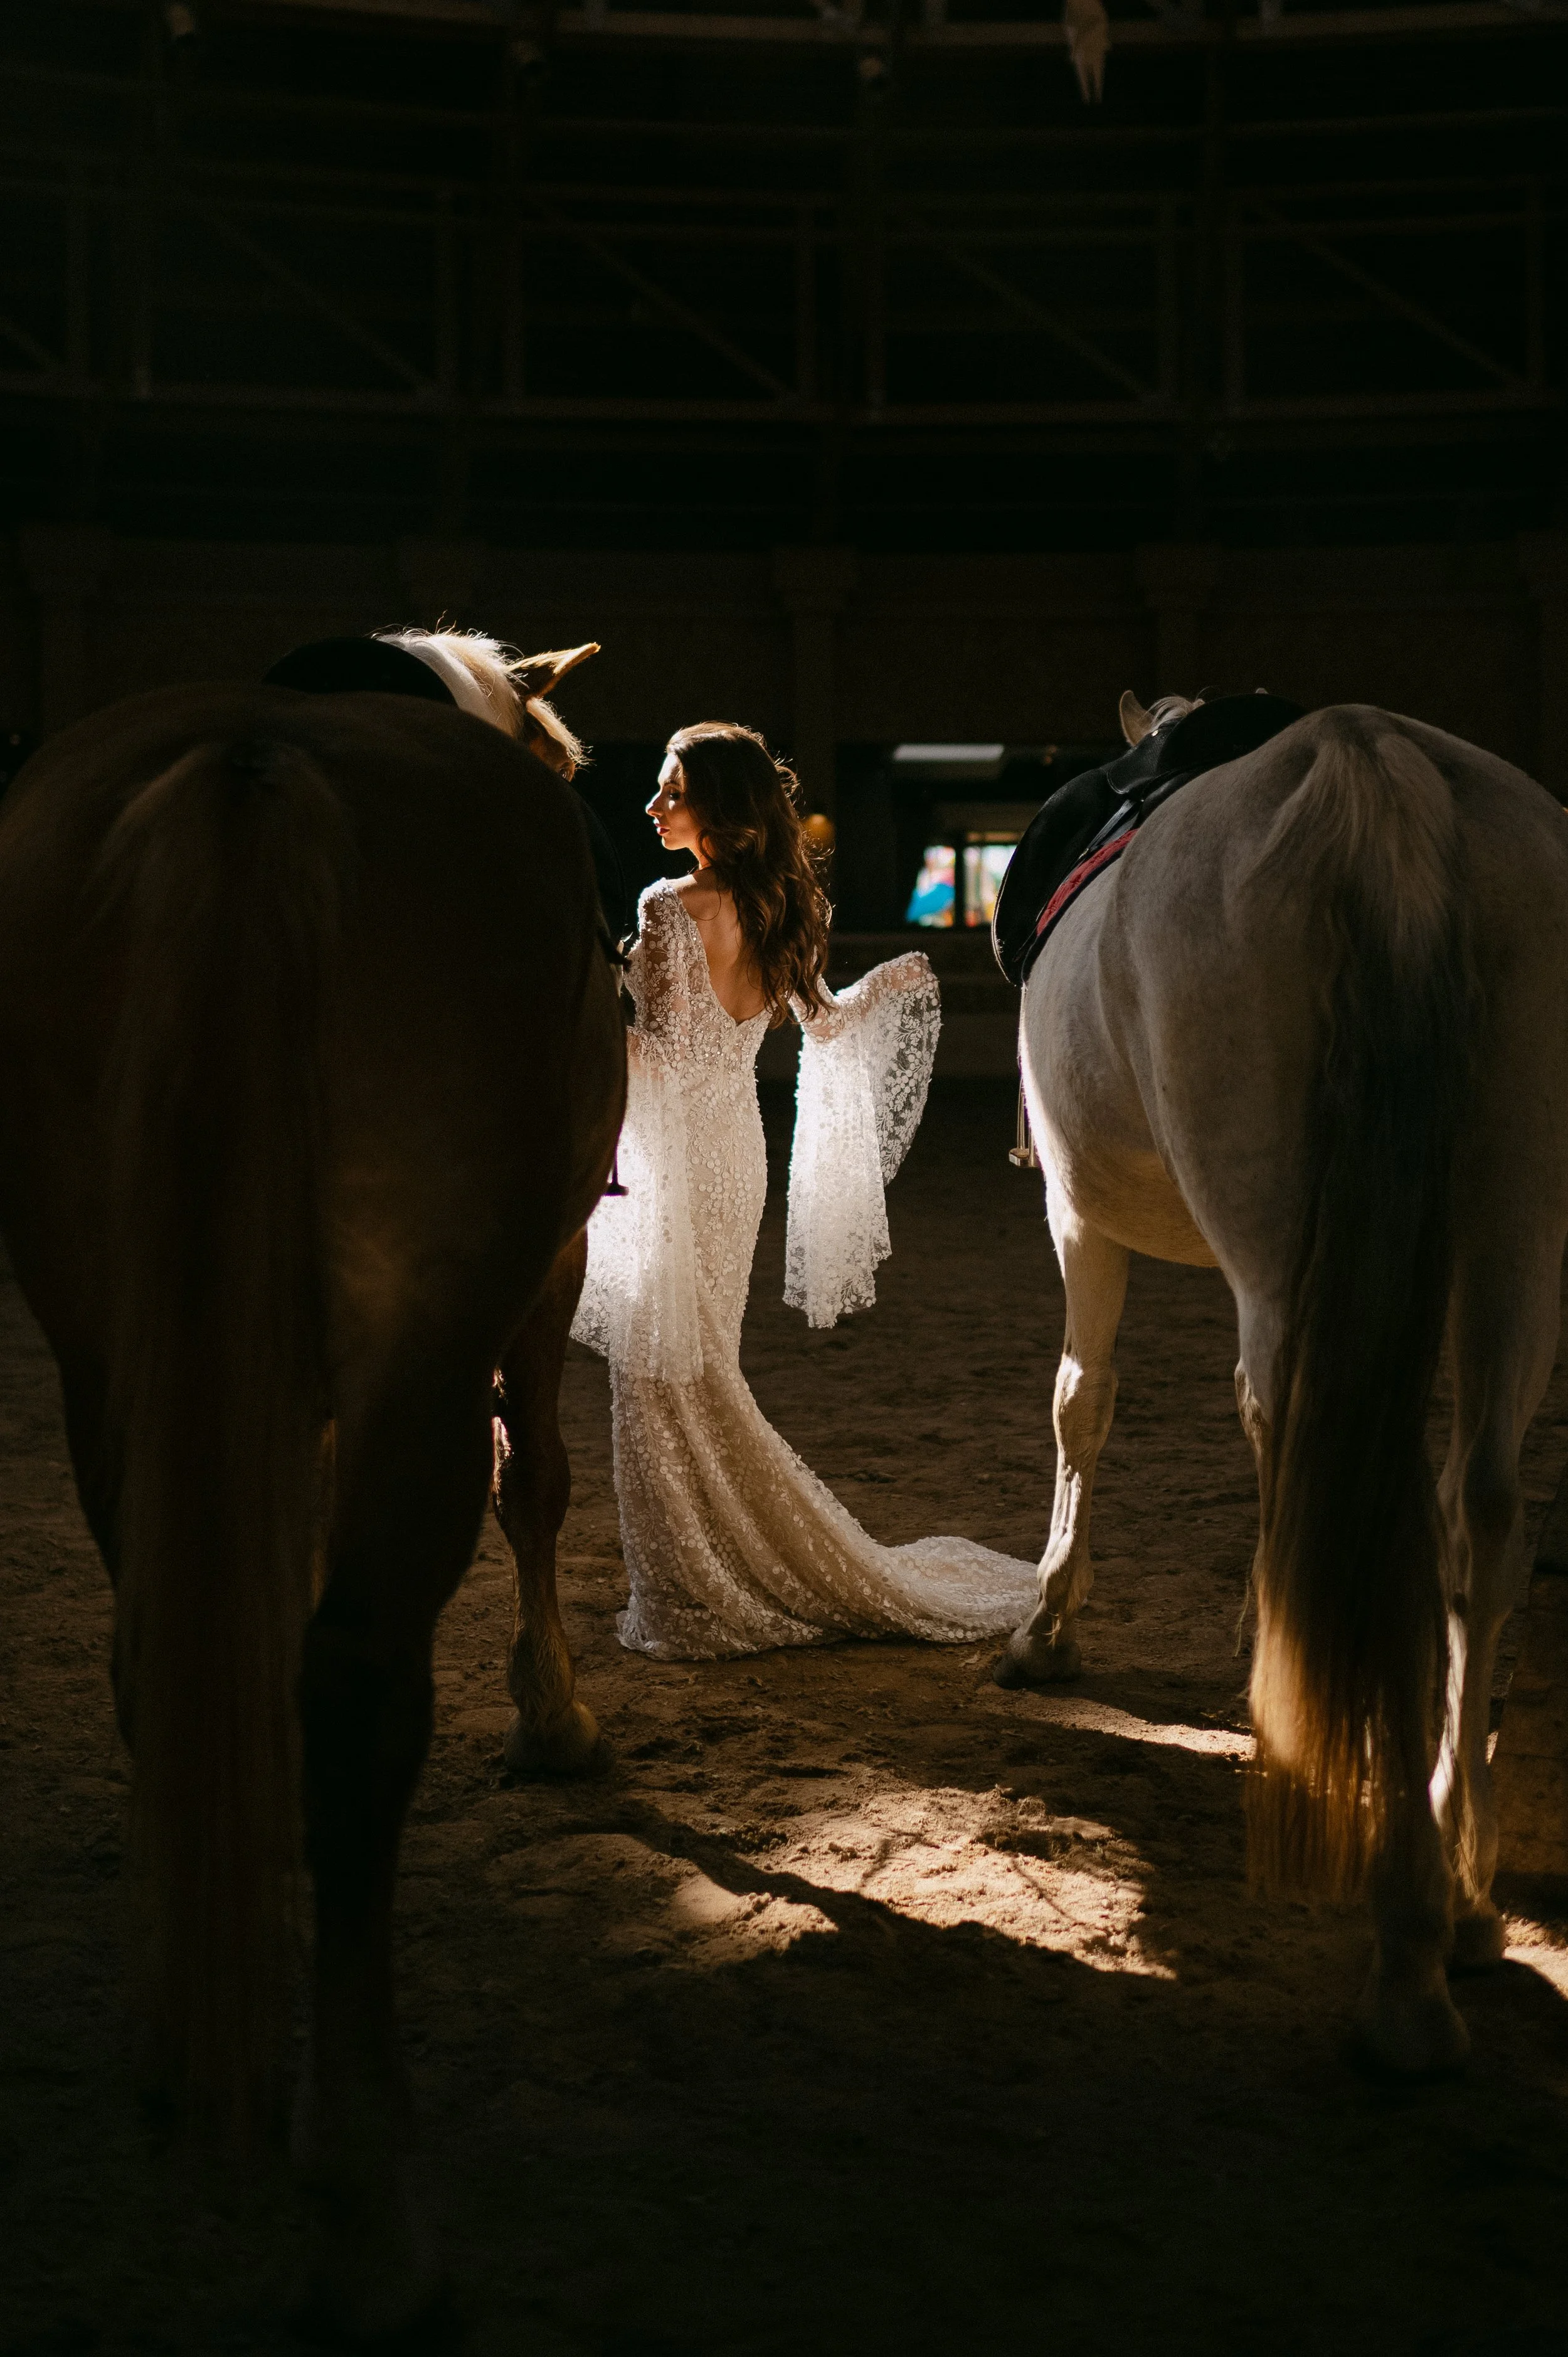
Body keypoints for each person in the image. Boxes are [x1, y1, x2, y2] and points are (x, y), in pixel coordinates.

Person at [571, 721, 1037, 1659]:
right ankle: (713, 1571)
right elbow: (823, 1027)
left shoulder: (668, 907)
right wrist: (878, 993)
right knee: (697, 1369)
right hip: (736, 1154)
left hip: (675, 1157)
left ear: (718, 808)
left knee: (656, 1377)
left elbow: (656, 1053)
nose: (652, 805)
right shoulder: (785, 906)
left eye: (671, 790)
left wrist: (575, 1024)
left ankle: (685, 1595)